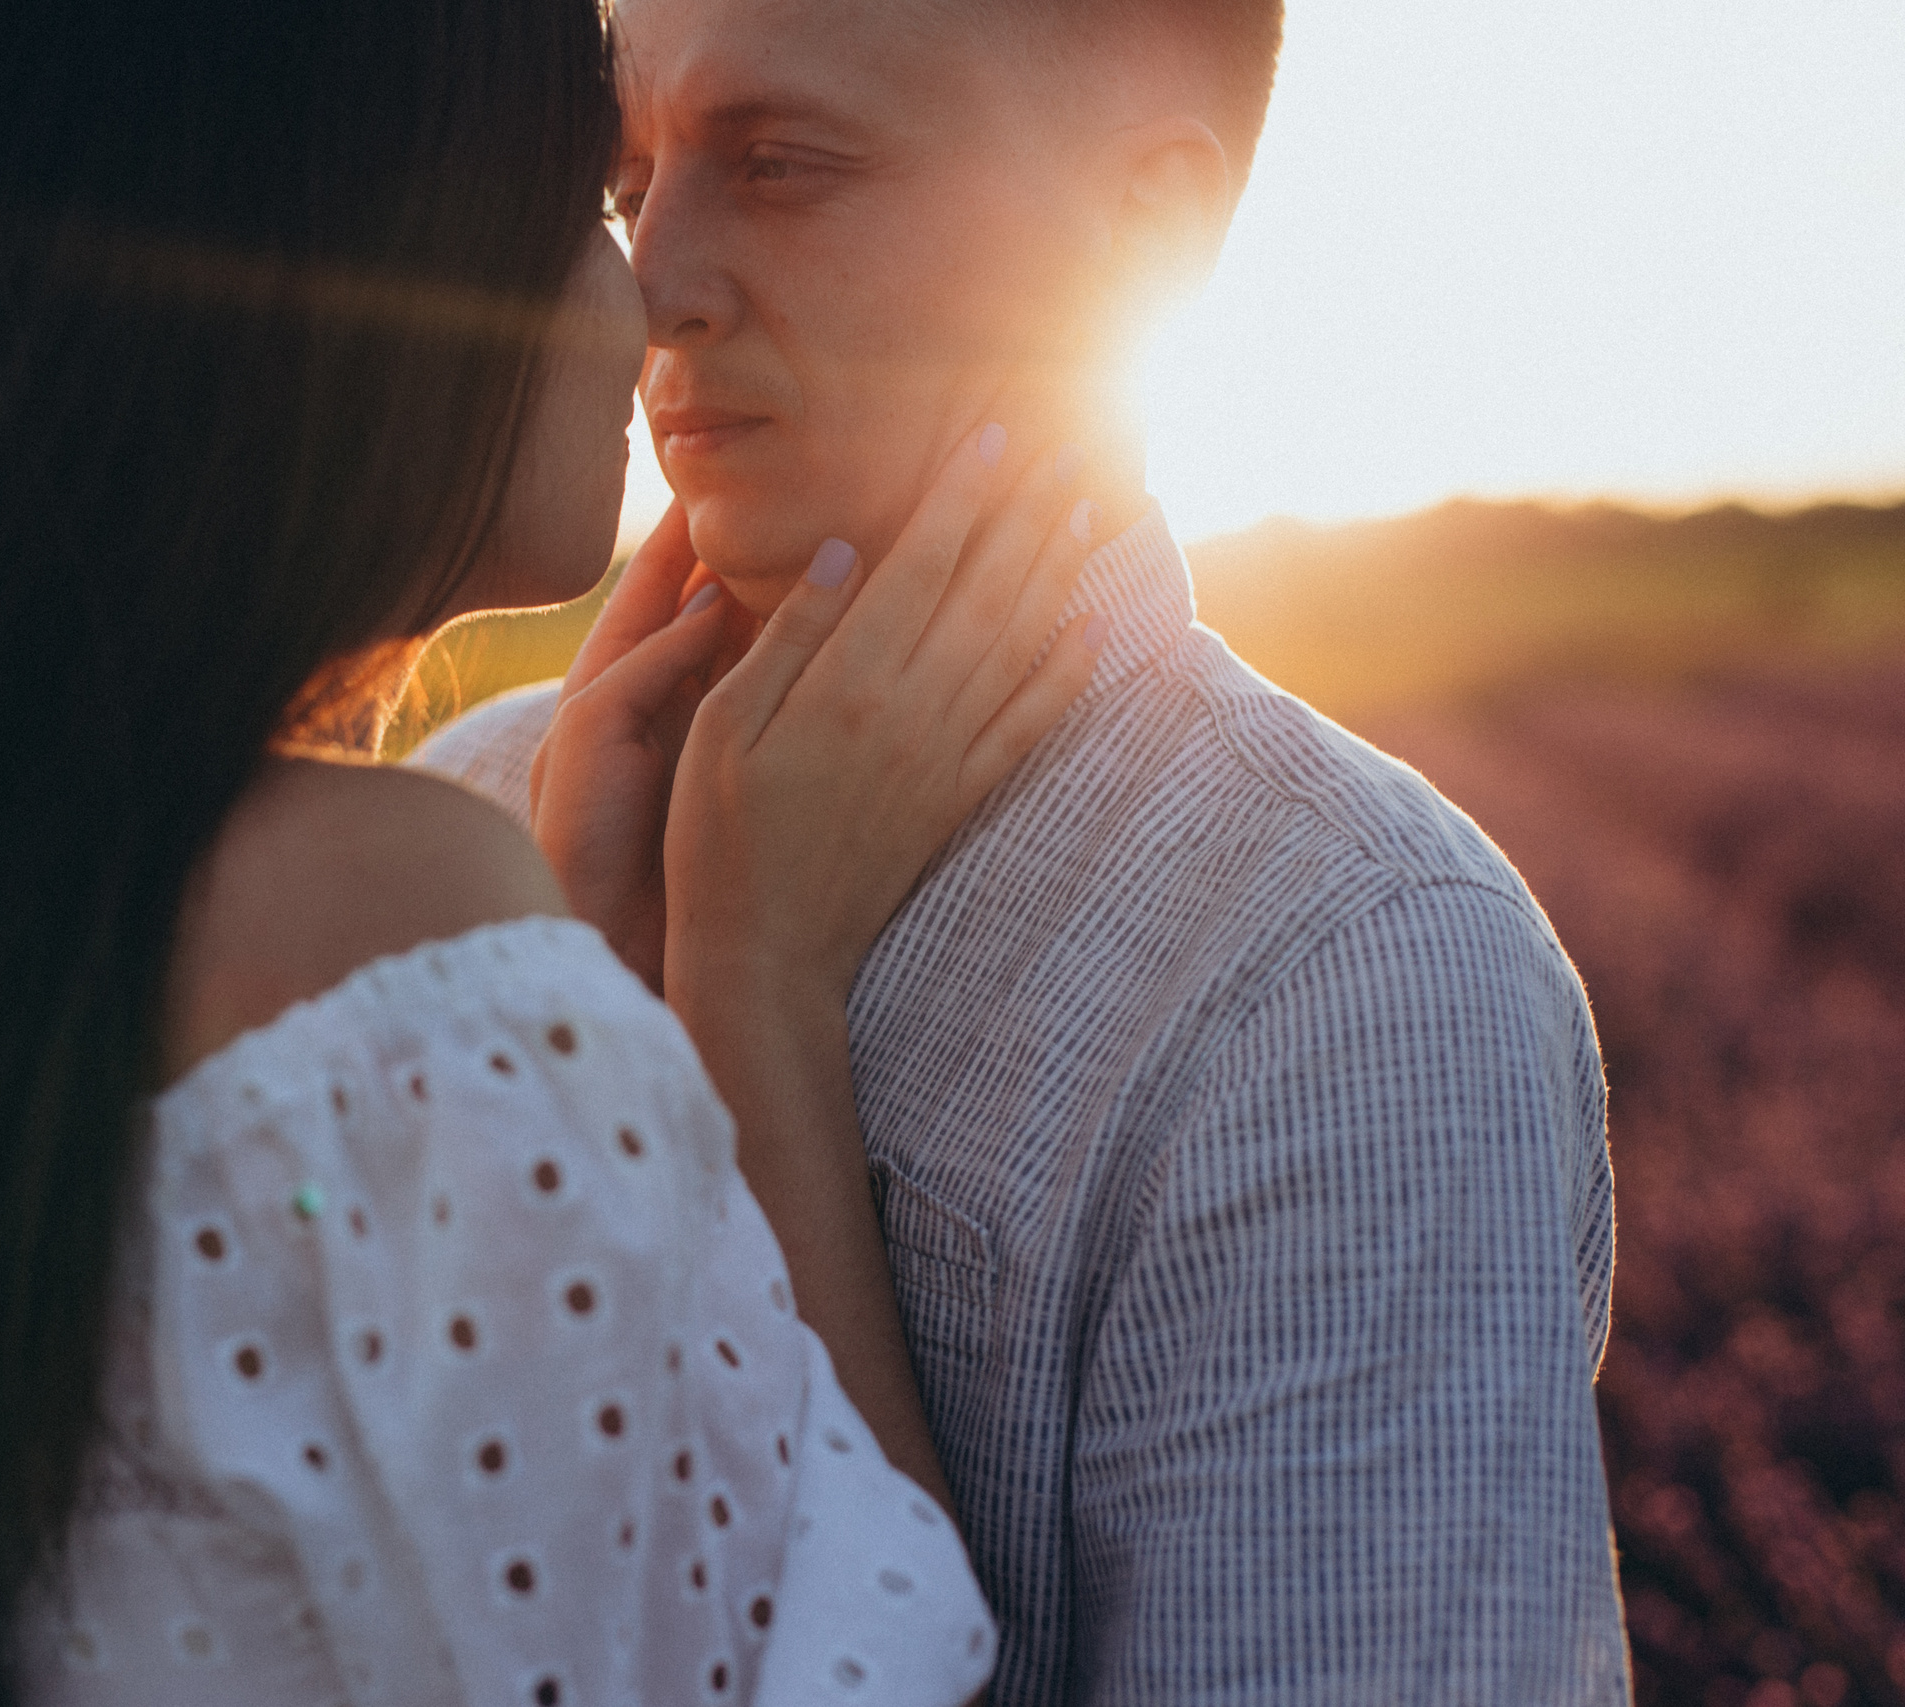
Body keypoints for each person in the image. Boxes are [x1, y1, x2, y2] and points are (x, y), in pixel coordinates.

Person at [0, 1, 1114, 1704]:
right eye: (580, 204)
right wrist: (756, 980)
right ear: (349, 252)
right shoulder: (379, 908)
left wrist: (580, 973)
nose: (645, 298)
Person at [412, 0, 1635, 1699]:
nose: (649, 284)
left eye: (781, 165)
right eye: (628, 186)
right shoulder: (462, 815)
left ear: (1139, 235)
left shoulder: (1345, 972)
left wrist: (747, 1000)